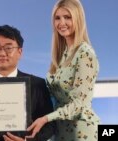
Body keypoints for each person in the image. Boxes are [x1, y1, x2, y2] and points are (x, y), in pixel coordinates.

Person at [27, 0, 100, 140]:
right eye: (57, 18)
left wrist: (46, 119)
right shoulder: (61, 54)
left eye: (67, 17)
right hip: (59, 130)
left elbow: (79, 104)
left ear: (78, 19)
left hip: (81, 132)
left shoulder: (85, 53)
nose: (61, 23)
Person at [0, 25, 55, 141]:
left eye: (8, 48)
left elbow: (50, 125)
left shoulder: (38, 85)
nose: (2, 53)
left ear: (19, 52)